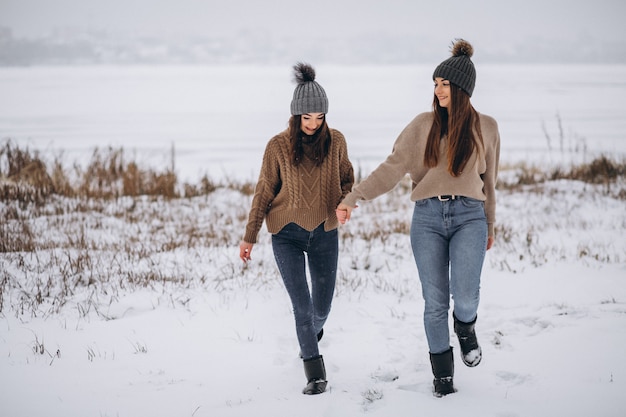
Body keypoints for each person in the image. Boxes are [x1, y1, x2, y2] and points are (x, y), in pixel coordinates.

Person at [336, 39, 500, 397]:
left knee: (466, 294)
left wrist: (490, 224)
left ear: (462, 89)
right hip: (427, 218)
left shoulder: (486, 127)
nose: (438, 90)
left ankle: (466, 326)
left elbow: (491, 182)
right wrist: (353, 197)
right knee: (435, 301)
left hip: (470, 217)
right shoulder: (421, 125)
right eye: (435, 84)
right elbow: (391, 168)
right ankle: (443, 378)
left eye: (445, 84)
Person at [239, 63, 354, 395]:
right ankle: (315, 373)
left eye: (319, 117)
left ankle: (310, 333)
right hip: (286, 234)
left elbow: (347, 178)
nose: (313, 124)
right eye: (307, 118)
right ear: (295, 116)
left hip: (324, 232)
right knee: (302, 307)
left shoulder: (336, 142)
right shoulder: (277, 146)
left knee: (322, 308)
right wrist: (250, 236)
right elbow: (264, 191)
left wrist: (345, 201)